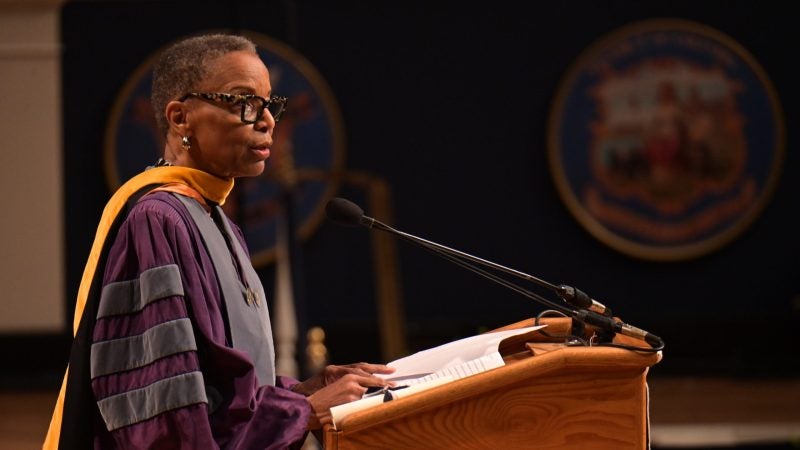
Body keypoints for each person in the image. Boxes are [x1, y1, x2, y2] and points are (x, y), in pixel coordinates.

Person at [44, 33, 393, 449]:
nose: (266, 122)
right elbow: (165, 412)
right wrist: (305, 412)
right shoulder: (156, 221)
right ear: (179, 118)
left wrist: (304, 392)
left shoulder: (213, 217)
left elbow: (219, 389)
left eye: (269, 105)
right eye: (244, 103)